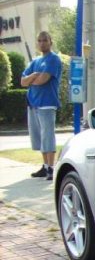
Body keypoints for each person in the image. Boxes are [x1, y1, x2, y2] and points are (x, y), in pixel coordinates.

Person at [21, 31, 62, 182]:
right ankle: (45, 166)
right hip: (33, 104)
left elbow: (43, 80)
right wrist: (33, 76)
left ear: (51, 42)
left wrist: (32, 79)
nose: (42, 43)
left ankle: (51, 168)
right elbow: (23, 81)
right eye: (40, 40)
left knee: (47, 136)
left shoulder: (54, 59)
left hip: (47, 103)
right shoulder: (35, 61)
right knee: (38, 137)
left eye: (45, 40)